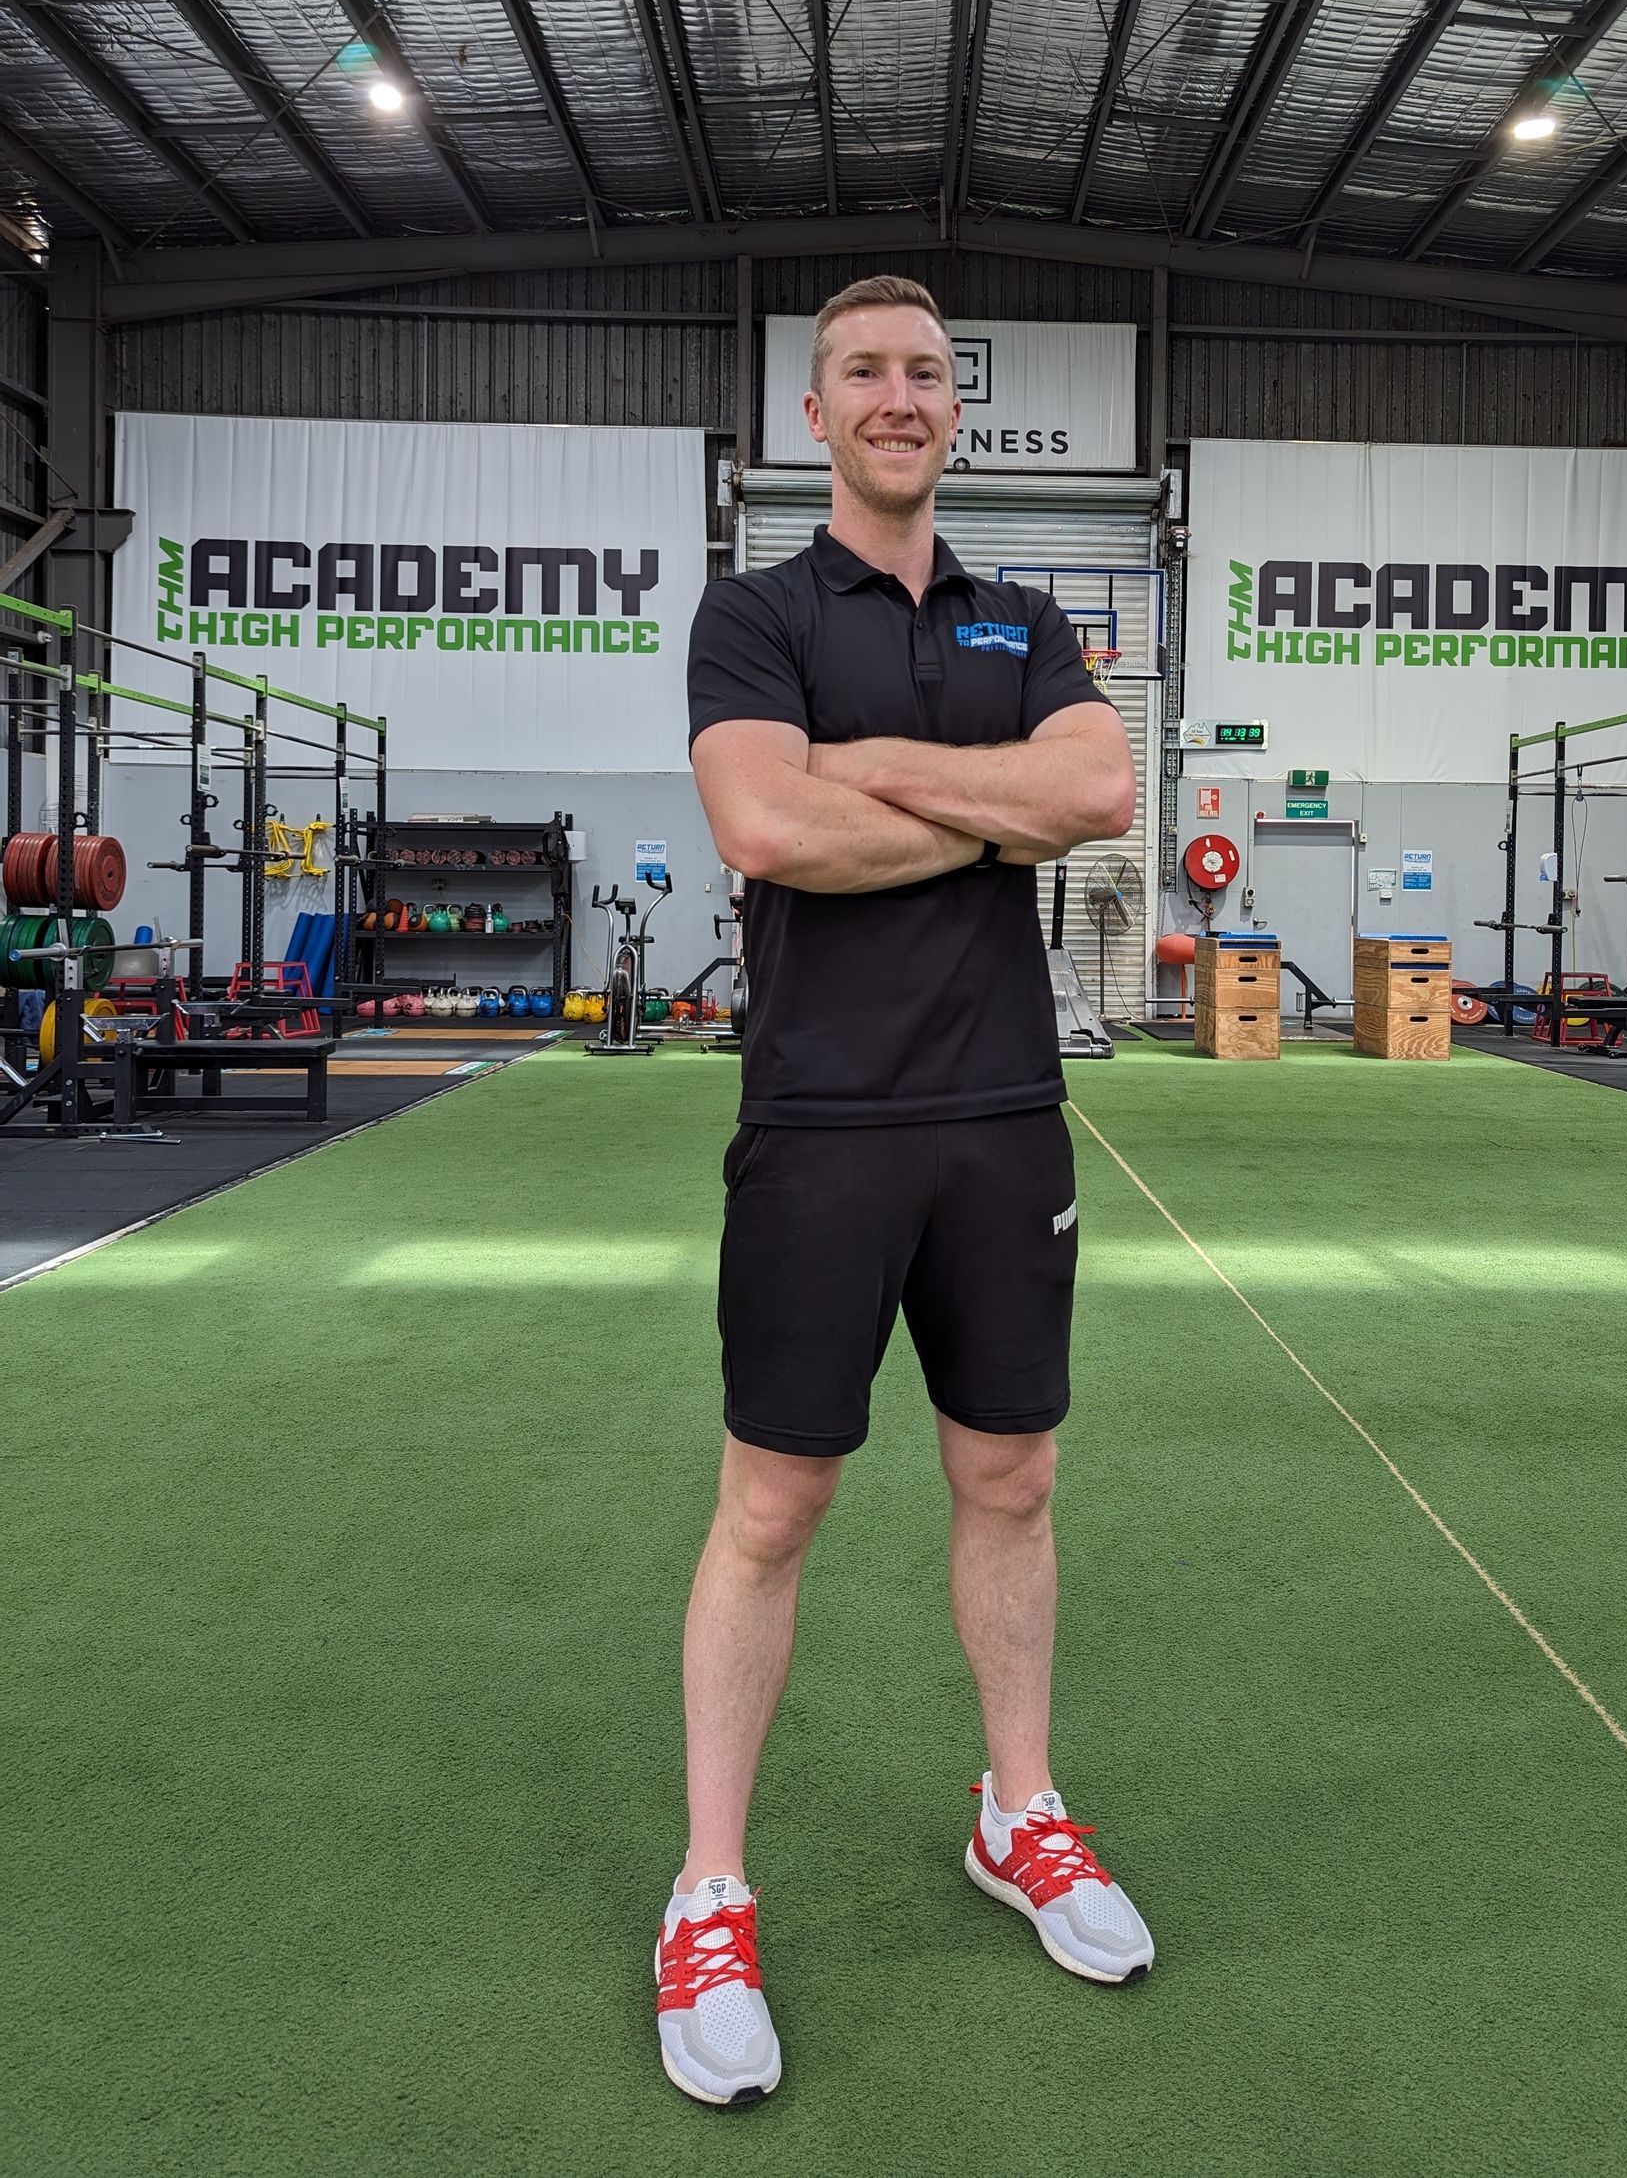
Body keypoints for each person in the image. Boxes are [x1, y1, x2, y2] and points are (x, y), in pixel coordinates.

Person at [657, 275, 1153, 2108]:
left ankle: (1017, 1813)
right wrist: (986, 801)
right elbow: (765, 825)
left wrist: (875, 769)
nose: (896, 396)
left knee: (1011, 1477)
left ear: (957, 408)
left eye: (925, 373)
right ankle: (711, 1889)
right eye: (863, 370)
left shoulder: (1029, 618)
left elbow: (1099, 790)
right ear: (816, 412)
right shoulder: (757, 613)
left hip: (1004, 1114)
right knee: (772, 1503)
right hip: (820, 1120)